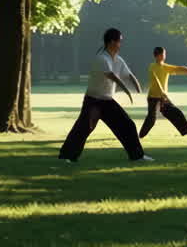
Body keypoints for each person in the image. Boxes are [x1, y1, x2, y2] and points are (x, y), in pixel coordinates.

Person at [59, 28, 152, 164]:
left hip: (107, 101)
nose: (121, 44)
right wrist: (127, 92)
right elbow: (112, 76)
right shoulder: (101, 58)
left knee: (128, 125)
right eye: (119, 41)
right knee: (84, 127)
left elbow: (129, 74)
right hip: (93, 100)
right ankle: (66, 156)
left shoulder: (118, 59)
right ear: (112, 42)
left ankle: (137, 156)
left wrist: (137, 88)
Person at [139, 46, 187, 138]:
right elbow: (156, 81)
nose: (165, 55)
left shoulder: (165, 67)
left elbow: (179, 68)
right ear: (159, 55)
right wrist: (163, 93)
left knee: (176, 113)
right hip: (154, 98)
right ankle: (140, 136)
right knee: (151, 119)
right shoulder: (152, 67)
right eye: (164, 54)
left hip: (163, 98)